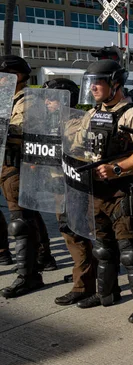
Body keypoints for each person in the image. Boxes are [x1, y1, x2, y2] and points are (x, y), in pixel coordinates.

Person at [73, 60, 133, 323]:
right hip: (95, 191)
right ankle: (106, 293)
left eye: (99, 82)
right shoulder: (91, 114)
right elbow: (78, 146)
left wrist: (117, 169)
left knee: (130, 250)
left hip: (123, 191)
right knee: (103, 248)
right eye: (91, 83)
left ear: (116, 84)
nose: (94, 87)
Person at [0, 55, 57, 299]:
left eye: (3, 76)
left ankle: (29, 275)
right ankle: (44, 257)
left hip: (19, 164)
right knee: (29, 214)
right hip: (7, 163)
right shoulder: (8, 100)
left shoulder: (28, 101)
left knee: (20, 220)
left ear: (17, 76)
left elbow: (21, 129)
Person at [39, 78, 98, 306]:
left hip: (74, 186)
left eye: (53, 98)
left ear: (67, 99)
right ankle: (82, 270)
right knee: (67, 231)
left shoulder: (77, 122)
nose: (48, 102)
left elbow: (74, 147)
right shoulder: (52, 121)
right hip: (58, 184)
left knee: (75, 232)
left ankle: (83, 285)